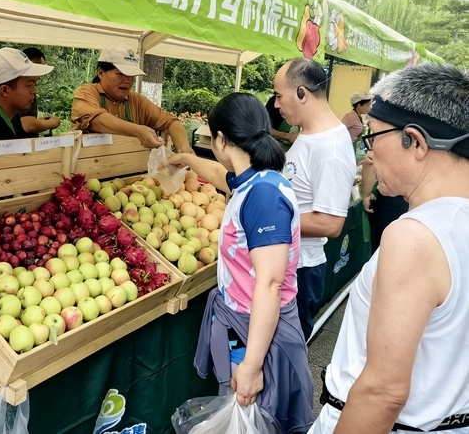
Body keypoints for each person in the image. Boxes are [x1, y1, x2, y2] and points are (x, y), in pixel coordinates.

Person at [309, 64, 469, 434]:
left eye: (373, 137)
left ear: (415, 141)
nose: (369, 155)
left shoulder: (414, 236)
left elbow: (383, 391)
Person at [169, 93, 314, 434]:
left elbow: (270, 283)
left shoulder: (263, 196)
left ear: (220, 139)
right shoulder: (254, 179)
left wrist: (251, 364)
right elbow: (220, 174)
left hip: (258, 329)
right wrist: (187, 158)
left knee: (254, 416)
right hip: (245, 324)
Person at [273, 58, 356, 341]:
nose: (275, 105)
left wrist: (269, 219)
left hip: (301, 270)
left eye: (278, 95)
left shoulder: (330, 148)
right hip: (286, 263)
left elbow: (330, 224)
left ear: (301, 93)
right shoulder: (307, 135)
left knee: (285, 355)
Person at [71, 43, 193, 153]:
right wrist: (138, 131)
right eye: (121, 74)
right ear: (101, 73)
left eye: (132, 75)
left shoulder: (136, 100)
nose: (127, 80)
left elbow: (170, 121)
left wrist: (183, 147)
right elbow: (96, 120)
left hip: (128, 169)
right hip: (86, 170)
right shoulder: (87, 92)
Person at [360, 150, 408, 252]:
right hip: (420, 198)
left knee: (384, 250)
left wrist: (366, 194)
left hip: (391, 200)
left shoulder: (388, 137)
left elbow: (370, 160)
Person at [18, 47, 62, 136]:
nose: (41, 76)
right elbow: (28, 125)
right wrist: (52, 123)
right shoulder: (25, 91)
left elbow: (20, 122)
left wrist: (39, 121)